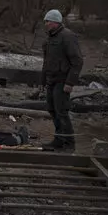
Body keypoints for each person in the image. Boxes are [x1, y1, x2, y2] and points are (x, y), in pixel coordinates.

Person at [40, 9, 83, 151]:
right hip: (51, 80)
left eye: (48, 21)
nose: (46, 24)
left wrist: (70, 82)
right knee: (52, 110)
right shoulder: (50, 38)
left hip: (62, 81)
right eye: (45, 21)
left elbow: (77, 61)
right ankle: (58, 140)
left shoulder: (67, 36)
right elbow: (46, 62)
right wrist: (42, 81)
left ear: (56, 22)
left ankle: (70, 144)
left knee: (62, 111)